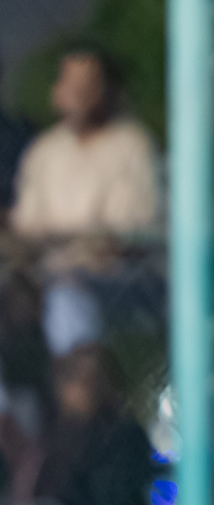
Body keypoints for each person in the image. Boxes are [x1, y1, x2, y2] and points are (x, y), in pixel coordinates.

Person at [11, 47, 159, 359]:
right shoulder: (43, 152)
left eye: (86, 84)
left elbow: (124, 233)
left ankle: (80, 397)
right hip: (43, 277)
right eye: (69, 83)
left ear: (104, 91)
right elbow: (26, 228)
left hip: (117, 281)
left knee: (67, 298)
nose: (76, 93)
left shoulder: (130, 144)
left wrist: (65, 248)